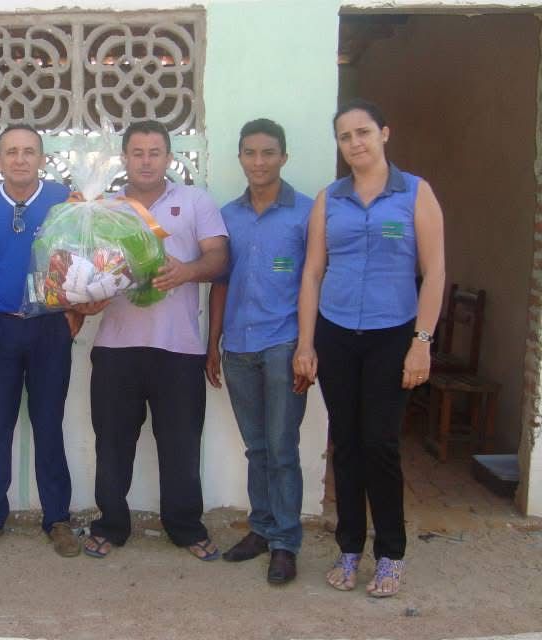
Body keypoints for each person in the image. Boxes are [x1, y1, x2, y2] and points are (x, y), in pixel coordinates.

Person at [293, 99, 445, 597]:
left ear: (384, 133)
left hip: (392, 334)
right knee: (346, 443)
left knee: (380, 443)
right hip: (336, 334)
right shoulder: (329, 199)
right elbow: (312, 272)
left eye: (363, 132)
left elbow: (435, 272)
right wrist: (306, 343)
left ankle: (391, 554)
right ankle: (349, 548)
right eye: (345, 136)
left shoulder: (415, 193)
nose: (355, 143)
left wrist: (421, 342)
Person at [80, 120, 229, 560]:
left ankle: (185, 527)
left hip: (179, 349)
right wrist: (85, 298)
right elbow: (83, 270)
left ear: (169, 157)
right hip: (115, 347)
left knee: (181, 445)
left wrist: (187, 271)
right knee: (112, 444)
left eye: (155, 152)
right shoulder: (104, 208)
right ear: (124, 158)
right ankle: (110, 524)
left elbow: (219, 258)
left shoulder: (195, 201)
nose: (146, 161)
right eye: (137, 153)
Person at [0, 124, 82, 557]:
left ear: (42, 159)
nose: (20, 159)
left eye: (29, 151)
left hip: (49, 326)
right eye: (11, 151)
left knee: (49, 424)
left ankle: (58, 519)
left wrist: (76, 313)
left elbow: (83, 259)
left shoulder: (64, 199)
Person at [205, 118, 312, 584]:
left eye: (268, 153)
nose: (259, 162)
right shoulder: (227, 216)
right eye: (250, 153)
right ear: (240, 158)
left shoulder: (306, 214)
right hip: (239, 346)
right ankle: (263, 529)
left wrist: (308, 346)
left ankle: (286, 542)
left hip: (284, 344)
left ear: (283, 157)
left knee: (282, 448)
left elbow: (314, 282)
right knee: (257, 447)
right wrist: (213, 342)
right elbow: (220, 283)